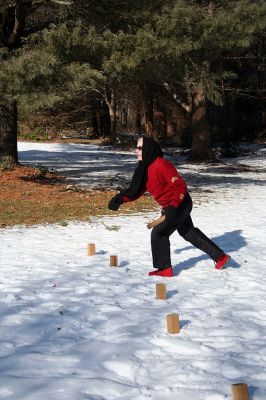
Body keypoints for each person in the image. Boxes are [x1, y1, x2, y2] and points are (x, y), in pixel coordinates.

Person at [108, 136, 230, 277]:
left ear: (148, 148)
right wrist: (120, 199)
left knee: (159, 233)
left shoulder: (161, 165)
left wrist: (172, 207)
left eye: (140, 148)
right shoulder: (144, 169)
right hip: (171, 206)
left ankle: (164, 269)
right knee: (188, 232)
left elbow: (180, 187)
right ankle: (220, 257)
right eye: (137, 147)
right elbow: (137, 190)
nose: (137, 151)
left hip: (180, 203)